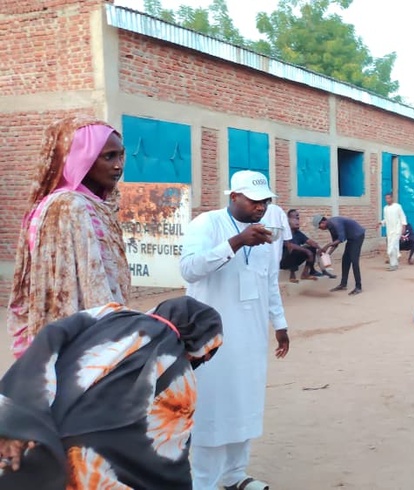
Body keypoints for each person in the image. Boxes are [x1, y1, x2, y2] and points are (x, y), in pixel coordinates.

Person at [0, 297, 223, 489]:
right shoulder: (181, 376)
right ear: (200, 348)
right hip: (87, 466)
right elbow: (167, 457)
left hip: (41, 435)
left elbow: (50, 335)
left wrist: (16, 423)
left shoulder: (109, 313)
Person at [180, 170, 290, 490]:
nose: (261, 207)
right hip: (211, 339)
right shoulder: (207, 224)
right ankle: (203, 483)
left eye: (266, 201)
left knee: (245, 403)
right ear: (234, 197)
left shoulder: (266, 234)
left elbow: (269, 282)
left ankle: (234, 476)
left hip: (251, 336)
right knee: (213, 408)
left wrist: (279, 324)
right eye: (254, 201)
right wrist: (237, 241)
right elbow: (189, 269)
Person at [6, 116, 131, 358]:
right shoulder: (68, 206)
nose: (118, 165)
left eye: (120, 155)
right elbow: (67, 291)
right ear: (80, 159)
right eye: (109, 156)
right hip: (84, 341)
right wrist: (113, 339)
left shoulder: (93, 203)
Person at [313, 214, 366, 296]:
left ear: (323, 221)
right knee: (345, 260)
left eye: (320, 226)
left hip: (357, 236)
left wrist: (326, 246)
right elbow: (335, 242)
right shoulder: (330, 226)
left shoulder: (335, 223)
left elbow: (341, 238)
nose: (320, 229)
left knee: (354, 260)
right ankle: (343, 284)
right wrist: (327, 254)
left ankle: (358, 287)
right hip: (351, 238)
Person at [280, 209, 336, 281]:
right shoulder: (284, 232)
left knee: (312, 248)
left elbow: (310, 241)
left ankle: (306, 273)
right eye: (295, 219)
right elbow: (290, 245)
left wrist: (320, 249)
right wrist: (306, 250)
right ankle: (292, 275)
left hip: (295, 261)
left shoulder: (298, 233)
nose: (297, 221)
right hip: (284, 261)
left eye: (298, 218)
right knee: (295, 250)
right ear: (289, 221)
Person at [378, 192, 407, 271]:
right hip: (389, 231)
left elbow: (403, 217)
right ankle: (393, 264)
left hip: (397, 230)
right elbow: (386, 219)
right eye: (386, 198)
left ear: (392, 198)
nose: (387, 200)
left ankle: (395, 261)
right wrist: (381, 223)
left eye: (389, 198)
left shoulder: (397, 207)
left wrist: (403, 227)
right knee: (393, 247)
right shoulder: (385, 208)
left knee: (392, 247)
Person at [261, 201, 294, 267]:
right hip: (276, 238)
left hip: (262, 237)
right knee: (275, 259)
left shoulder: (258, 209)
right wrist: (287, 240)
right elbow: (285, 225)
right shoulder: (278, 209)